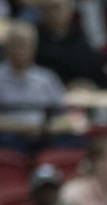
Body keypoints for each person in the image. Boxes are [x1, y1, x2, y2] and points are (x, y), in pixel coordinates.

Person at [0, 21, 67, 152]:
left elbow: (63, 115)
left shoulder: (47, 78)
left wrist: (45, 128)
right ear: (6, 47)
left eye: (24, 44)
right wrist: (25, 128)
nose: (20, 49)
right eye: (15, 44)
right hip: (6, 137)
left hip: (43, 136)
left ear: (34, 47)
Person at [36, 0, 107, 88]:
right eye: (46, 9)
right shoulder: (35, 40)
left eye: (56, 8)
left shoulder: (81, 39)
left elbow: (95, 72)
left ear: (70, 11)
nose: (52, 14)